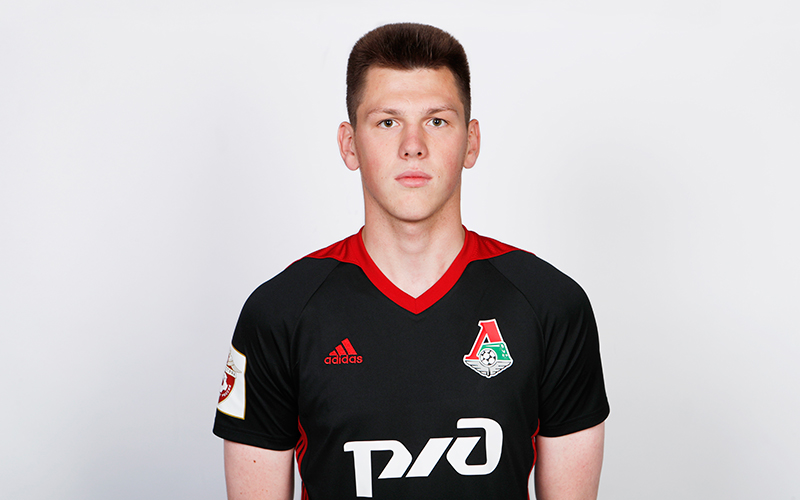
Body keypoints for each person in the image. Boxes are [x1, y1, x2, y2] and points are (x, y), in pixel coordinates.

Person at [214, 22, 609, 499]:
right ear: (349, 144)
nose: (413, 145)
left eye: (437, 121)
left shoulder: (551, 306)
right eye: (387, 122)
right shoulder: (279, 313)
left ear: (471, 141)